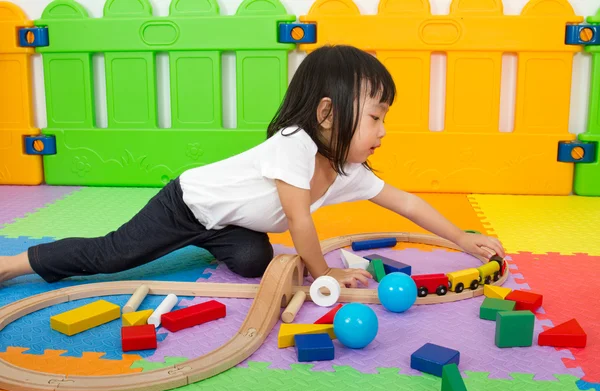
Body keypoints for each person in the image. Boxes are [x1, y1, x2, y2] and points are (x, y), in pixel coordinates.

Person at [0, 45, 505, 288]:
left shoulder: (351, 173)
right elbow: (302, 220)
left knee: (252, 261)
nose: (382, 132)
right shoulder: (294, 144)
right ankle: (12, 265)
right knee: (112, 256)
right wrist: (326, 272)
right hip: (188, 205)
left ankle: (214, 243)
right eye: (375, 117)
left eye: (383, 119)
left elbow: (409, 203)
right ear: (327, 113)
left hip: (230, 222)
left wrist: (464, 240)